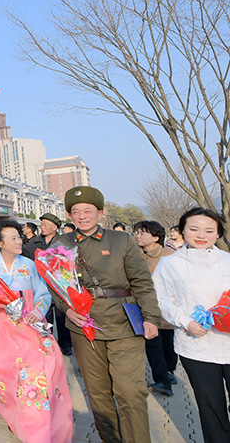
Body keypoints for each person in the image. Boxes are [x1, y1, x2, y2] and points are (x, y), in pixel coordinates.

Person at [49, 186, 161, 443]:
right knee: (98, 394)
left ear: (100, 212)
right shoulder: (60, 245)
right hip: (84, 327)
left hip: (124, 324)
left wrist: (151, 318)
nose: (82, 216)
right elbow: (54, 286)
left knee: (131, 392)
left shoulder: (121, 240)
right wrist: (66, 310)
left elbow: (141, 281)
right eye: (75, 211)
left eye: (88, 210)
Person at [0, 220, 73, 443]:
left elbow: (43, 294)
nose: (19, 241)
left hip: (28, 326)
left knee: (39, 372)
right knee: (3, 375)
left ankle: (38, 425)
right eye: (13, 237)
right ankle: (14, 415)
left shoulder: (30, 264)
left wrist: (38, 310)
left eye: (19, 236)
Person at [152, 207, 230, 443]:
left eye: (209, 230)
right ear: (182, 230)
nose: (201, 234)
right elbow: (162, 300)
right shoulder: (170, 264)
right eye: (193, 228)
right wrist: (185, 321)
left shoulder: (227, 260)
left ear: (218, 234)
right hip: (196, 346)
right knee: (211, 407)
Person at [133, 220, 177, 396]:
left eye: (143, 233)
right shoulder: (133, 254)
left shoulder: (168, 256)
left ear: (156, 237)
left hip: (165, 307)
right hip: (145, 307)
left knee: (168, 343)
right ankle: (162, 380)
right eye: (136, 232)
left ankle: (170, 370)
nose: (138, 236)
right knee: (153, 344)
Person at [22, 213, 72, 356]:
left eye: (45, 224)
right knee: (44, 315)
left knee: (61, 316)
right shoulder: (33, 243)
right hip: (40, 286)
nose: (42, 227)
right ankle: (46, 342)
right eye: (41, 224)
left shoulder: (63, 242)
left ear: (55, 227)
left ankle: (66, 344)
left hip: (59, 286)